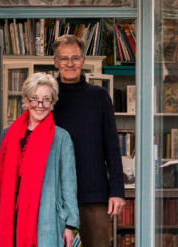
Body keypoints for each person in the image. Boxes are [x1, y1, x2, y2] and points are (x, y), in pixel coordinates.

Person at [0, 73, 79, 247]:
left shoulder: (61, 138)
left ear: (52, 102)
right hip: (9, 219)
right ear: (25, 100)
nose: (40, 105)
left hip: (45, 220)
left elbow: (69, 185)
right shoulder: (8, 134)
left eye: (46, 99)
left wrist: (71, 225)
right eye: (35, 99)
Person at [52, 35, 126, 247]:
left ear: (83, 61)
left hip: (94, 195)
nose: (69, 64)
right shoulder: (47, 98)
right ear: (56, 62)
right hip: (56, 196)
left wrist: (117, 191)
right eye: (64, 59)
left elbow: (112, 147)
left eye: (75, 58)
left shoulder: (99, 96)